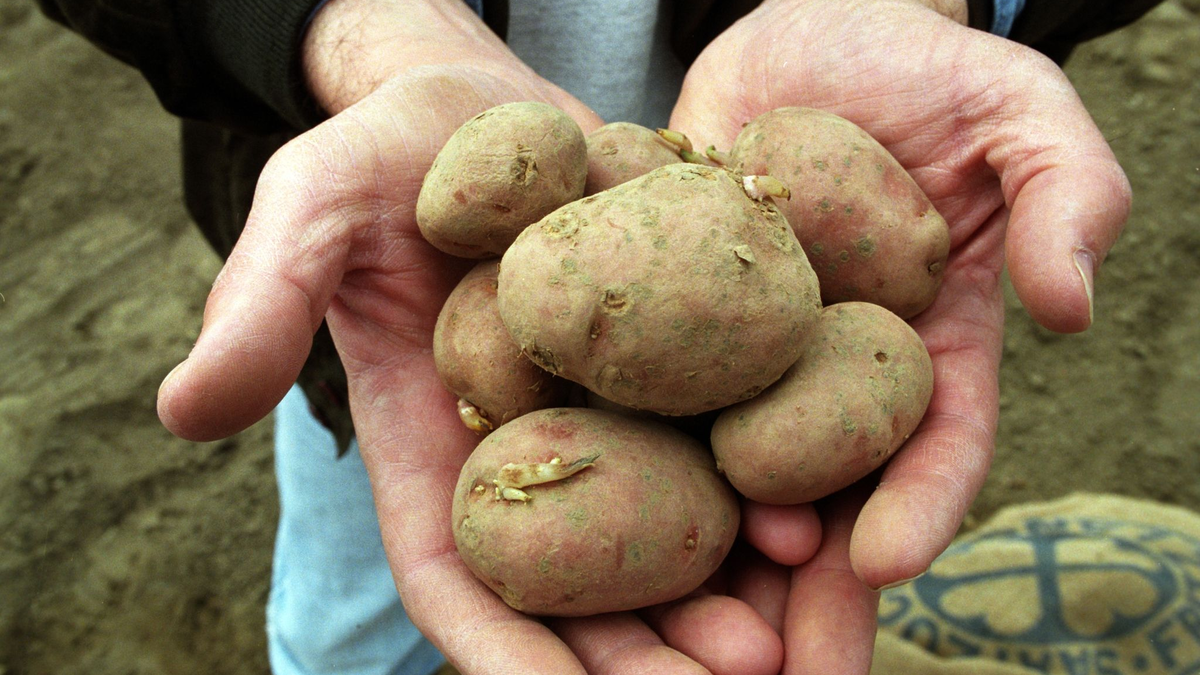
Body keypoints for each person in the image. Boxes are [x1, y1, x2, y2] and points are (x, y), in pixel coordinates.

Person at [37, 0, 1165, 673]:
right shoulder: (496, 298)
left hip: (770, 131)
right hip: (387, 310)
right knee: (352, 588)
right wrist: (357, 21)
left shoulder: (786, 298)